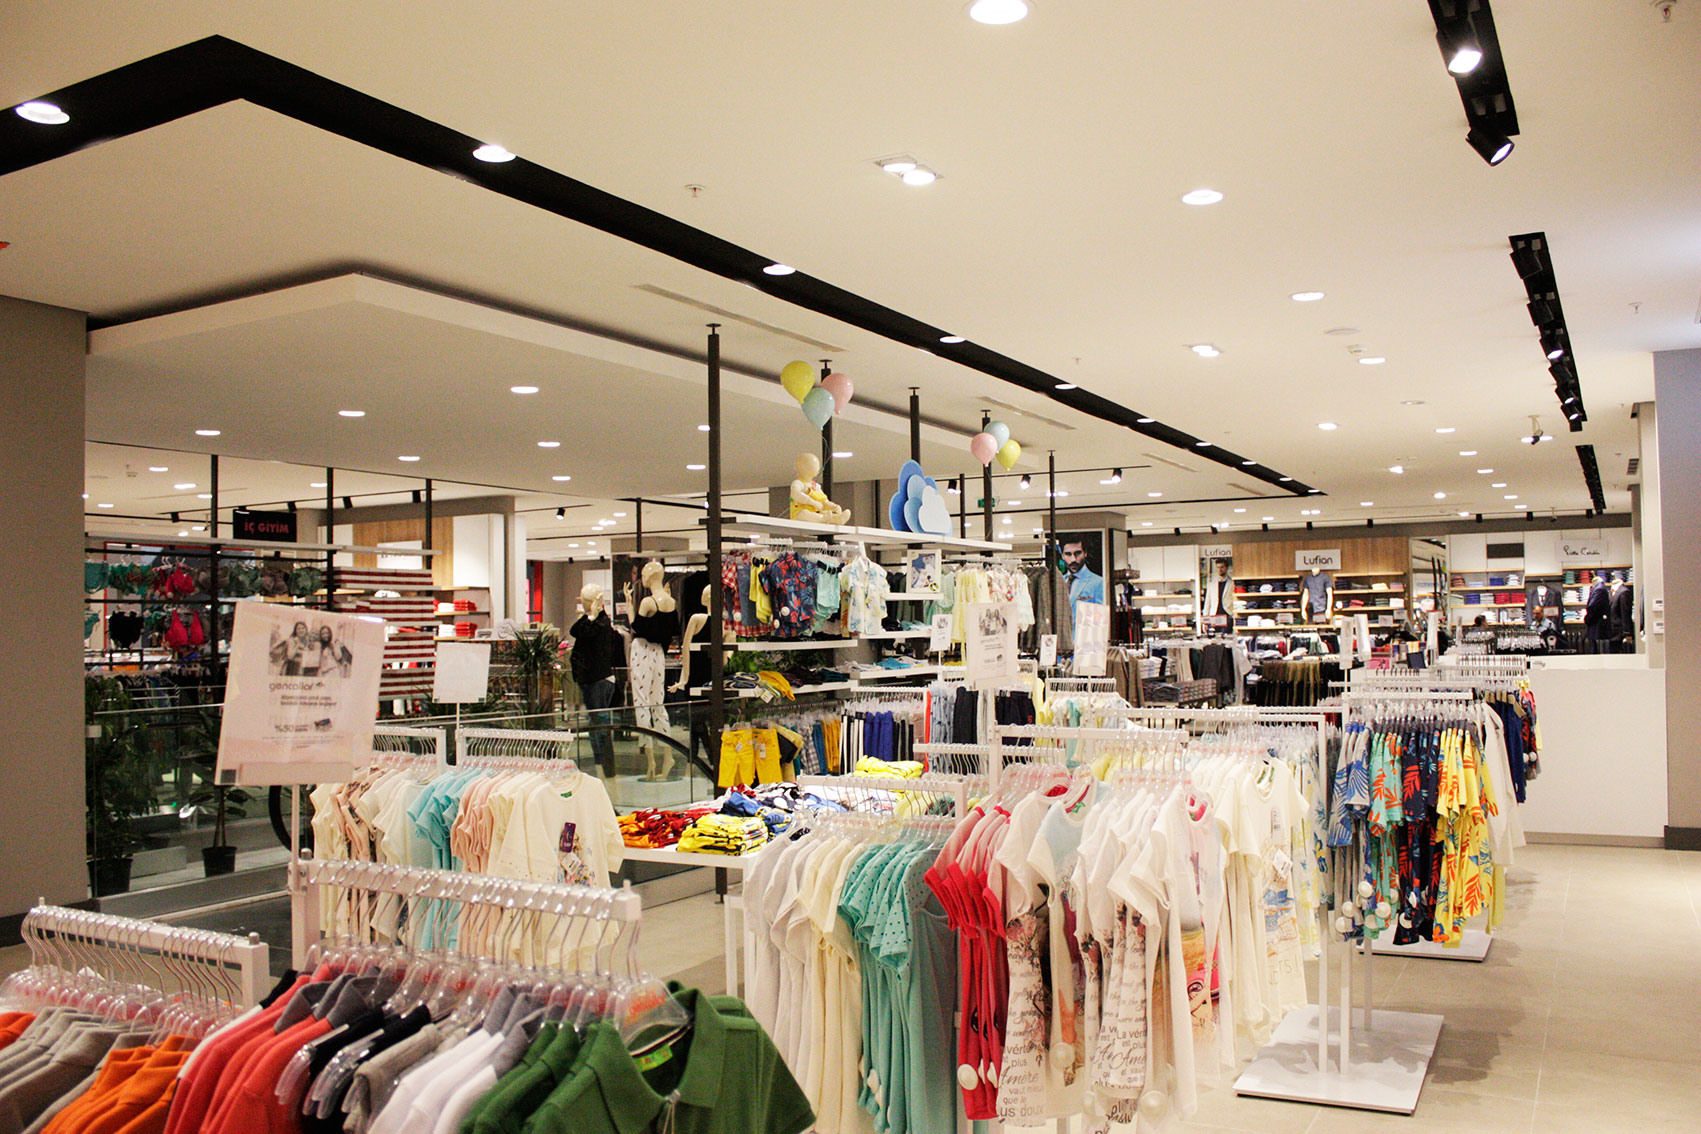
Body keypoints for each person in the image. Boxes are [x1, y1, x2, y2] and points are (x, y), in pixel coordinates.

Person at [1060, 537, 1105, 606]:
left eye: (1077, 553)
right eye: (1068, 554)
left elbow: (1101, 611)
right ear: (1062, 556)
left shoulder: (1099, 583)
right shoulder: (1058, 582)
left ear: (1085, 553)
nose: (1073, 559)